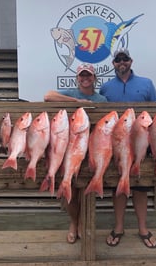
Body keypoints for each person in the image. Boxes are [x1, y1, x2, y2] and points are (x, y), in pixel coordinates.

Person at [100, 47, 156, 249]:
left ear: (131, 61)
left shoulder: (147, 83)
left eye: (125, 59)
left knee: (141, 188)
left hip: (141, 144)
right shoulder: (106, 88)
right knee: (119, 188)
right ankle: (118, 227)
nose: (121, 62)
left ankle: (143, 228)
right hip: (116, 146)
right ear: (113, 64)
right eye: (118, 60)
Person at [44, 63, 107, 244]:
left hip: (92, 152)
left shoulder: (101, 100)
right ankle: (74, 222)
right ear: (77, 78)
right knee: (69, 188)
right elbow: (47, 96)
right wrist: (78, 103)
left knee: (87, 191)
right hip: (69, 149)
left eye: (89, 75)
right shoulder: (70, 94)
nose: (85, 78)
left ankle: (84, 225)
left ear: (95, 78)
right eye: (82, 75)